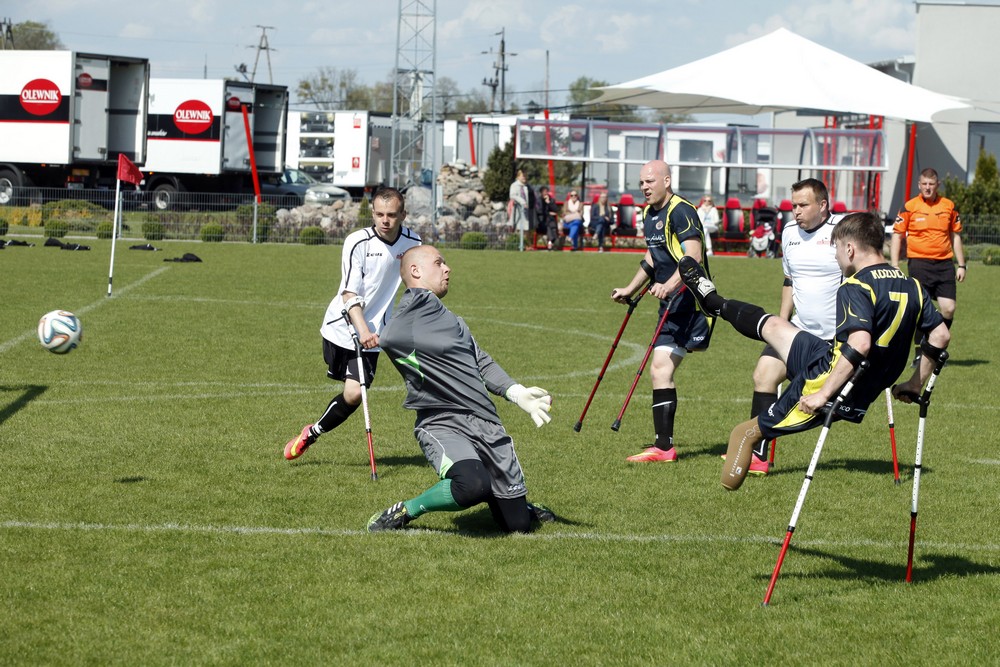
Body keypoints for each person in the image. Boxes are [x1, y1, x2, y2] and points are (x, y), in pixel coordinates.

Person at [677, 212, 950, 490]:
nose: (836, 259)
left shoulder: (856, 285)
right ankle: (712, 301)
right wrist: (915, 384)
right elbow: (940, 334)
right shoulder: (912, 285)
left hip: (833, 381)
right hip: (838, 361)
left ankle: (727, 496)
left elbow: (860, 343)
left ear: (850, 249)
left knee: (743, 434)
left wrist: (822, 394)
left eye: (836, 251)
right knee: (775, 326)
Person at [367, 245, 555, 533]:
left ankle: (517, 504)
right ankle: (406, 509)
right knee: (471, 484)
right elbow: (390, 337)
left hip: (487, 423)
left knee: (517, 525)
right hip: (443, 422)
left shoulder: (453, 320)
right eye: (439, 263)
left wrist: (518, 393)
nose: (447, 268)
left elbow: (482, 362)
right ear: (416, 271)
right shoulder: (409, 316)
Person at [284, 186, 422, 460]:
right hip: (342, 327)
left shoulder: (413, 243)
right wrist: (363, 330)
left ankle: (311, 434)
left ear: (403, 214)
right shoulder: (358, 242)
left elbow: (418, 284)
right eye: (380, 214)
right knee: (351, 392)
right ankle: (313, 431)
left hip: (375, 335)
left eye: (392, 215)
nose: (385, 220)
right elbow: (349, 293)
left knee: (354, 394)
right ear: (372, 213)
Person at [610, 160, 712, 463]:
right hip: (671, 302)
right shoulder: (649, 213)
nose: (644, 188)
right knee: (660, 369)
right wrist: (630, 288)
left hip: (692, 302)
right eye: (641, 182)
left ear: (667, 181)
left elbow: (692, 257)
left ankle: (664, 448)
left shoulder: (681, 211)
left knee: (660, 368)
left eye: (650, 182)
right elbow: (653, 256)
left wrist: (668, 286)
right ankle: (663, 448)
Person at [739, 178, 843, 476]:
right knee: (763, 375)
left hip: (831, 338)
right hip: (796, 328)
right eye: (793, 205)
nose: (795, 211)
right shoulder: (788, 233)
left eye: (803, 205)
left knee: (818, 404)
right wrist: (780, 323)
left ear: (822, 205)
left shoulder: (842, 232)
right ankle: (758, 455)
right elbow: (790, 281)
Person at [890, 167, 966, 365]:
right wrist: (895, 264)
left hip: (944, 264)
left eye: (931, 184)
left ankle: (937, 348)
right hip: (919, 263)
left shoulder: (949, 206)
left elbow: (955, 236)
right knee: (921, 310)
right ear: (919, 185)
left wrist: (962, 265)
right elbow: (897, 235)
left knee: (948, 309)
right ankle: (920, 351)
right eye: (924, 184)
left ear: (937, 185)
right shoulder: (909, 206)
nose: (928, 188)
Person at [536, 185, 561, 250]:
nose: (545, 193)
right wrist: (548, 212)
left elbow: (556, 209)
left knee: (552, 225)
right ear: (541, 193)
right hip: (541, 222)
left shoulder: (551, 200)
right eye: (544, 192)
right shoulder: (538, 200)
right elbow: (539, 211)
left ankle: (550, 242)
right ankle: (553, 240)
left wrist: (549, 203)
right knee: (548, 225)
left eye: (546, 192)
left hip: (550, 221)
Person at [508, 168, 531, 234]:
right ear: (518, 177)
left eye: (525, 176)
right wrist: (522, 202)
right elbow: (512, 195)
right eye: (523, 176)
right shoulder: (514, 185)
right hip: (517, 211)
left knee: (525, 230)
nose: (525, 177)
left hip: (526, 212)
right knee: (518, 229)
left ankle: (524, 243)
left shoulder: (527, 186)